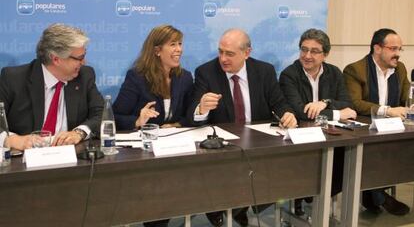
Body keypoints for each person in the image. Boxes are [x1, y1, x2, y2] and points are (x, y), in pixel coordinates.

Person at [189, 28, 297, 227]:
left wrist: (287, 114)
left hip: (257, 143)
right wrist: (201, 108)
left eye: (229, 54)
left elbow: (279, 103)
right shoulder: (206, 72)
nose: (223, 59)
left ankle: (241, 207)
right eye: (220, 51)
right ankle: (224, 208)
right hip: (222, 148)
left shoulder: (264, 71)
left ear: (247, 53)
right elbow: (191, 117)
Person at [112, 25, 193, 227]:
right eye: (172, 44)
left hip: (175, 150)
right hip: (147, 156)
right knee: (159, 191)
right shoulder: (137, 77)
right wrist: (138, 121)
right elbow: (114, 116)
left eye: (180, 44)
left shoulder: (184, 77)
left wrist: (176, 123)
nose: (179, 50)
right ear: (157, 50)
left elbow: (190, 114)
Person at [279, 28, 356, 215]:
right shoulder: (289, 74)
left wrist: (324, 103)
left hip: (330, 136)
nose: (307, 55)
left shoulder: (334, 73)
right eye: (303, 49)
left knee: (345, 156)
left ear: (325, 54)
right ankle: (308, 196)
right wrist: (338, 114)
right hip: (302, 138)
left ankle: (322, 200)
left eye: (314, 51)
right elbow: (302, 112)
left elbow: (348, 103)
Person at [0, 23, 103, 150]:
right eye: (79, 58)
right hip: (24, 161)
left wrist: (79, 132)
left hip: (70, 159)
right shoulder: (14, 79)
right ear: (56, 59)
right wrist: (11, 140)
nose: (84, 62)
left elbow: (102, 114)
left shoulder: (85, 76)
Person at [343, 28, 410, 216]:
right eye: (393, 48)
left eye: (400, 49)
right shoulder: (355, 70)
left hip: (394, 129)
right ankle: (379, 196)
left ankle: (373, 195)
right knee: (373, 153)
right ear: (377, 48)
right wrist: (387, 110)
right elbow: (354, 103)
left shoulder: (400, 68)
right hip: (365, 130)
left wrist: (410, 107)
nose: (397, 54)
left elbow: (406, 99)